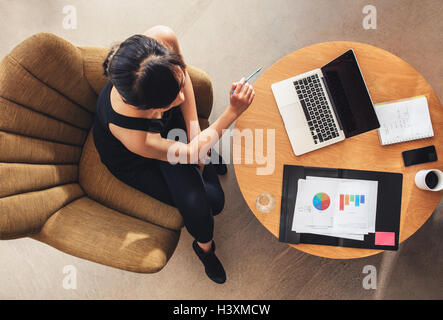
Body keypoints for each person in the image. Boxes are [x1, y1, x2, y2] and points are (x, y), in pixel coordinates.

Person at [92, 25, 255, 284]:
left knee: (209, 194)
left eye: (177, 83)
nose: (181, 98)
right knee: (210, 203)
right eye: (171, 100)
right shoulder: (136, 137)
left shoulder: (161, 38)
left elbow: (184, 79)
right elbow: (189, 154)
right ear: (149, 107)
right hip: (137, 161)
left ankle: (207, 153)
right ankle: (205, 249)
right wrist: (232, 113)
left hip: (170, 132)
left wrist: (194, 131)